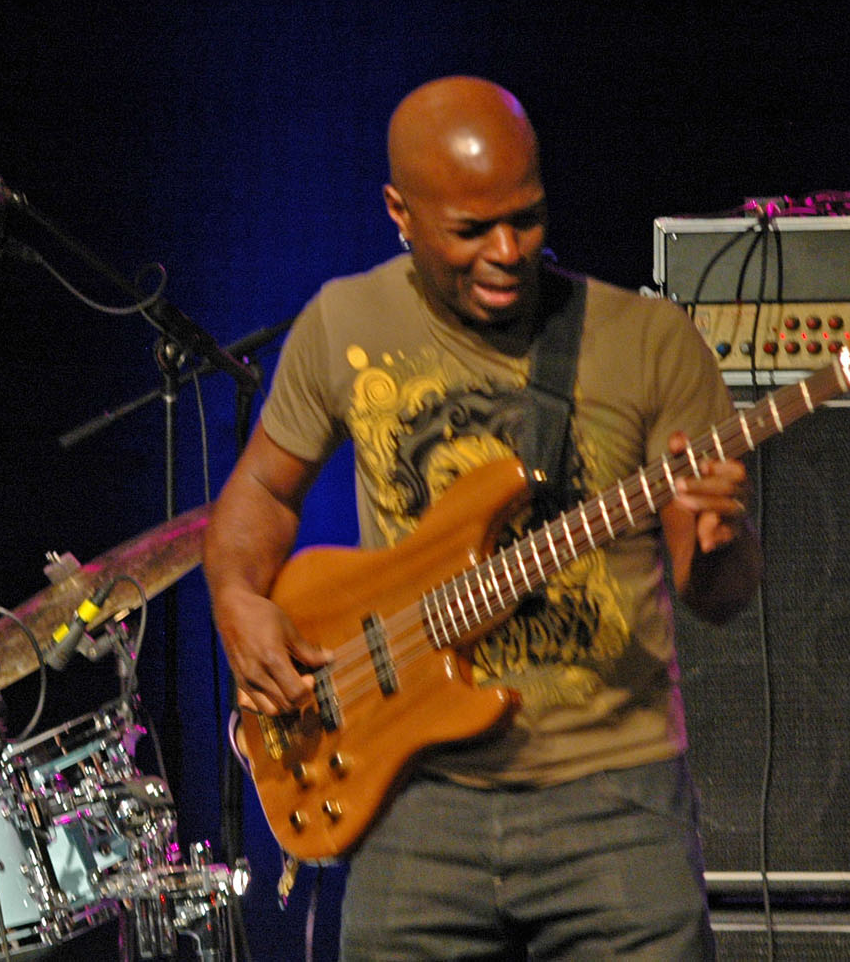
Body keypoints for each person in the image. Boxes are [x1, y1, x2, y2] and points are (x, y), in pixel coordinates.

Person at [205, 76, 762, 960]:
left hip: (614, 804)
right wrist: (238, 600)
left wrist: (714, 541)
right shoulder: (343, 321)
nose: (507, 250)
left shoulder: (650, 341)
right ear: (400, 211)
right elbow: (263, 494)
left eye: (528, 218)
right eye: (471, 230)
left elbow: (723, 595)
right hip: (414, 802)